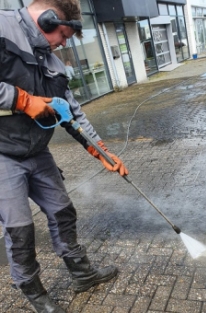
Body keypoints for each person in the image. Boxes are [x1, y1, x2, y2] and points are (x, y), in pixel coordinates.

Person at [0, 1, 128, 312]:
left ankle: (82, 274)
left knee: (62, 211)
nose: (64, 43)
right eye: (63, 34)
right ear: (46, 19)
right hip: (2, 153)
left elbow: (70, 111)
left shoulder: (53, 62)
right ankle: (35, 294)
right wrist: (21, 99)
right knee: (20, 230)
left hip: (37, 150)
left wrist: (99, 150)